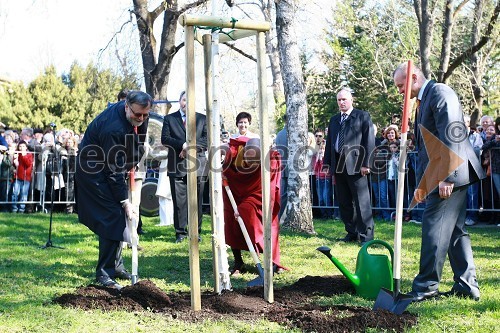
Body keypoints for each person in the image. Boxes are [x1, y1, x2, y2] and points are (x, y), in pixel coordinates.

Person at [393, 62, 484, 302]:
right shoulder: (424, 100)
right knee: (455, 231)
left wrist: (446, 176)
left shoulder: (440, 92)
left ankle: (426, 287)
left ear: (413, 78)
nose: (400, 92)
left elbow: (451, 133)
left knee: (433, 229)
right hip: (442, 174)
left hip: (449, 175)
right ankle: (467, 285)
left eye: (401, 86)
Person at [76, 90, 153, 289]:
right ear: (126, 106)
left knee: (118, 216)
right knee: (112, 215)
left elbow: (138, 141)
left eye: (145, 115)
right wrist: (125, 201)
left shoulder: (140, 113)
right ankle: (104, 274)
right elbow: (113, 171)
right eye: (138, 115)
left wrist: (133, 161)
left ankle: (116, 265)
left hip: (111, 165)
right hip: (93, 170)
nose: (142, 119)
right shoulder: (114, 129)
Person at [222, 137, 285, 274]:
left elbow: (269, 187)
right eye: (247, 159)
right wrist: (224, 174)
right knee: (231, 221)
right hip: (236, 193)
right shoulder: (234, 154)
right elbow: (227, 171)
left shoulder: (271, 159)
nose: (250, 163)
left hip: (259, 195)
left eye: (254, 161)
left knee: (250, 214)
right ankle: (238, 262)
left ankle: (272, 261)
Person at [323, 88, 375, 245]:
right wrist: (327, 163)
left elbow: (369, 141)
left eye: (344, 99)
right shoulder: (334, 120)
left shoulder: (362, 116)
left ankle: (366, 236)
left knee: (362, 202)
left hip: (357, 165)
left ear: (351, 100)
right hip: (338, 164)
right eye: (339, 100)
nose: (341, 102)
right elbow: (330, 143)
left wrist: (366, 164)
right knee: (344, 202)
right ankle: (351, 232)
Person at [161, 90, 208, 243]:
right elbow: (165, 139)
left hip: (198, 166)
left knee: (196, 201)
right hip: (177, 165)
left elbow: (206, 140)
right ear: (179, 101)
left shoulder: (202, 119)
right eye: (183, 100)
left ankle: (196, 232)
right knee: (179, 203)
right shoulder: (169, 119)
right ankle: (180, 233)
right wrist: (182, 145)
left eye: (189, 100)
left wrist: (190, 147)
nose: (185, 103)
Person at [274, 114, 288, 221]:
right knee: (283, 195)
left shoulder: (280, 134)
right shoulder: (287, 134)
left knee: (283, 194)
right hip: (288, 167)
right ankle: (277, 217)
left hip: (283, 167)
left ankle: (278, 217)